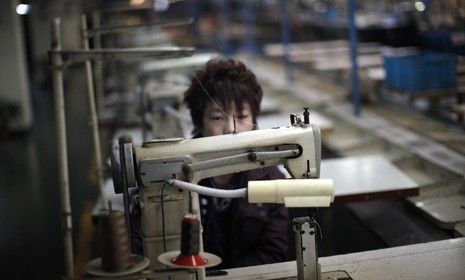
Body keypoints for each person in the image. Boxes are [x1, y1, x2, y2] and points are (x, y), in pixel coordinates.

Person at [183, 58, 289, 269]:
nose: (231, 129)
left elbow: (272, 251)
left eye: (241, 117)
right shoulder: (177, 177)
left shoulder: (271, 180)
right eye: (217, 118)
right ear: (198, 122)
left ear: (254, 119)